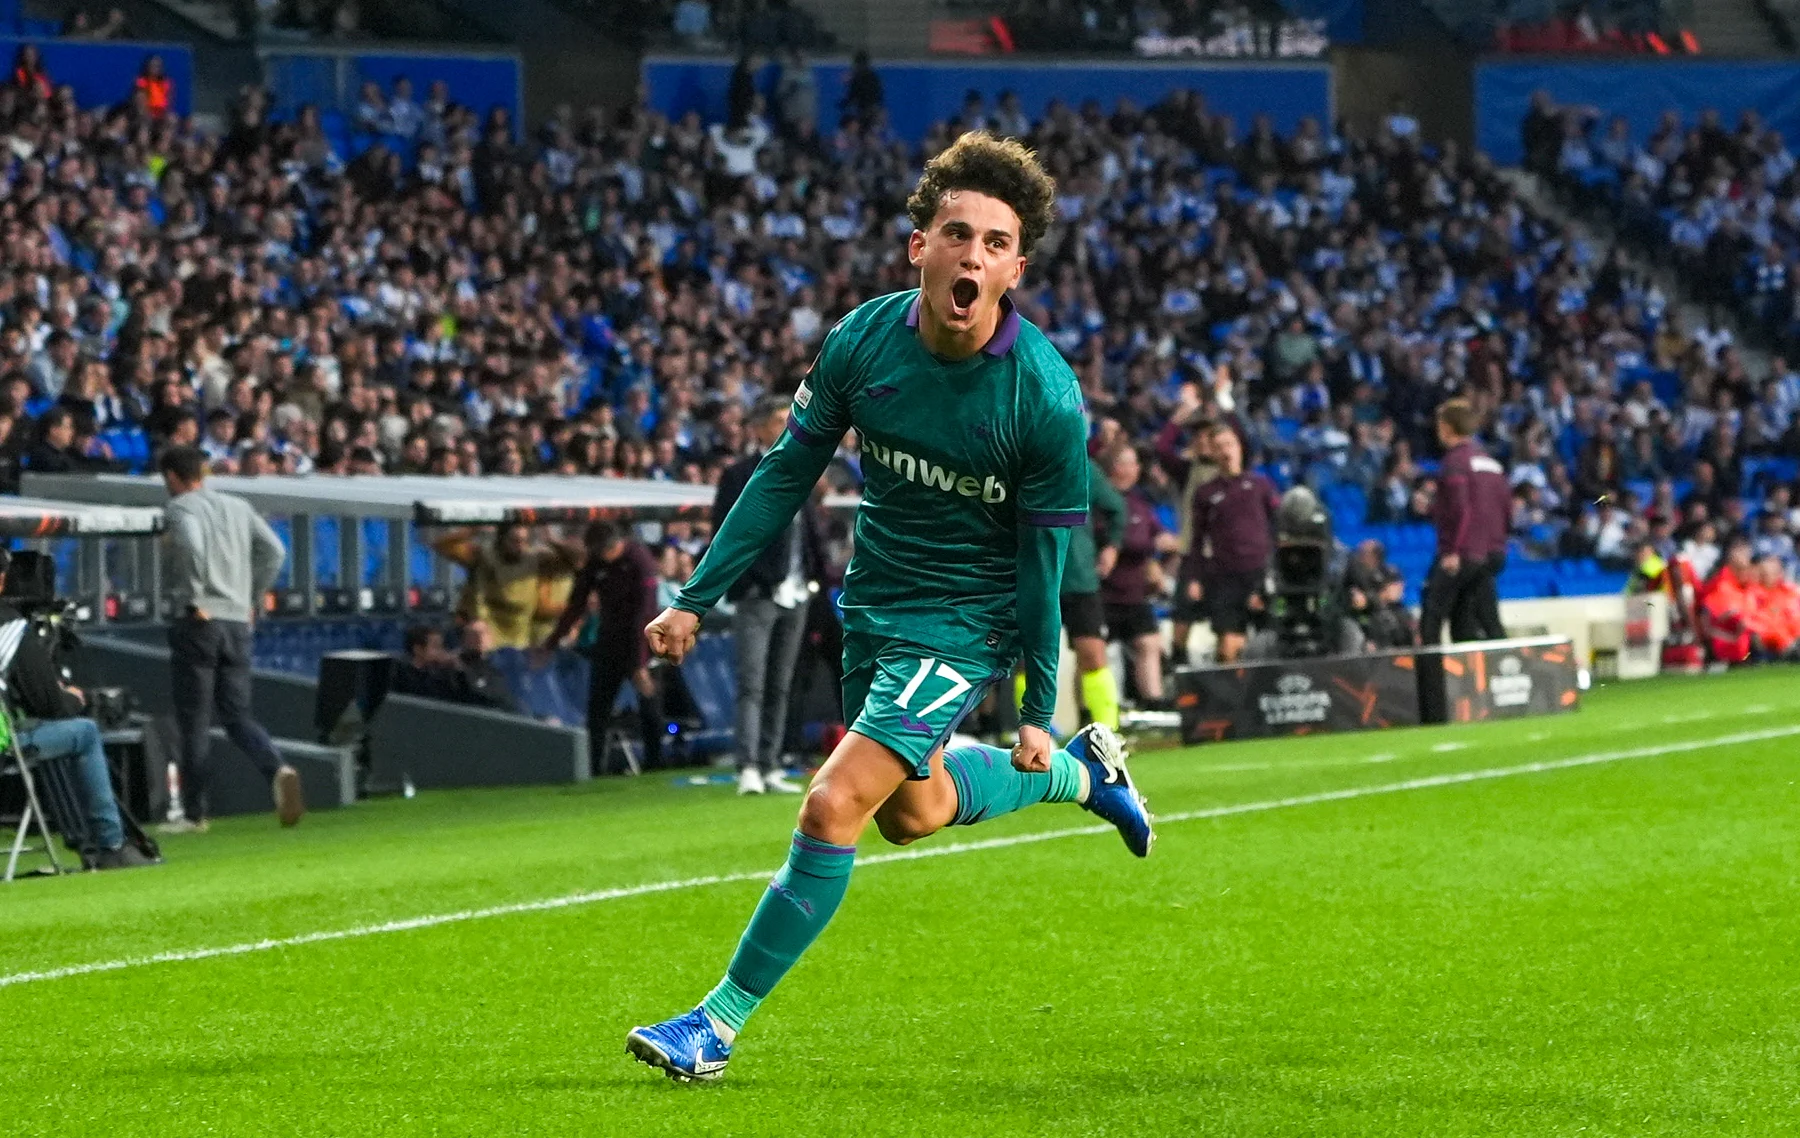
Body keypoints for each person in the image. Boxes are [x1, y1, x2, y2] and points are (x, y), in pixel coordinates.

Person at [627, 132, 1153, 1083]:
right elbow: (785, 474)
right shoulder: (862, 341)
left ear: (1015, 270)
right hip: (876, 603)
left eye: (996, 244)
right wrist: (694, 597)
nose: (974, 256)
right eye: (958, 234)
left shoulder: (1044, 398)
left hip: (968, 620)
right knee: (914, 813)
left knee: (833, 805)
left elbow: (1045, 567)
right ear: (922, 247)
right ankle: (1082, 779)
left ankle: (715, 1023)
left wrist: (1037, 707)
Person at [157, 445, 302, 832]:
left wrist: (194, 595)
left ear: (172, 476)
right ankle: (277, 768)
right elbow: (274, 551)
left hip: (200, 621)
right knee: (237, 715)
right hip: (238, 621)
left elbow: (189, 543)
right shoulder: (239, 506)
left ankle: (194, 815)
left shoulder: (181, 508)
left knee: (195, 720)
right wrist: (252, 596)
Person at [0, 551, 153, 869]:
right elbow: (50, 705)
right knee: (83, 732)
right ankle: (110, 845)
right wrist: (74, 697)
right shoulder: (10, 626)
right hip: (4, 744)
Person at [716, 396, 822, 795]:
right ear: (758, 428)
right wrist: (750, 581)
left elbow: (807, 532)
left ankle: (770, 762)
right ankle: (747, 766)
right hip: (759, 594)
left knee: (781, 684)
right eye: (779, 420)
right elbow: (727, 533)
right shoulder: (739, 474)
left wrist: (815, 577)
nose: (787, 424)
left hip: (796, 593)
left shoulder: (804, 465)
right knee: (752, 682)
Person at [537, 521, 664, 774]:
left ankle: (655, 765)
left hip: (644, 640)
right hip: (609, 641)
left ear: (614, 546)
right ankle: (593, 768)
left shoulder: (639, 561)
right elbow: (577, 604)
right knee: (598, 709)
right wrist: (551, 643)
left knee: (649, 704)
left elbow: (645, 613)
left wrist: (639, 663)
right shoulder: (596, 564)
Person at [1182, 423, 1278, 664]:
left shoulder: (1260, 486)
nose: (1226, 451)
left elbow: (1279, 525)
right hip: (1225, 578)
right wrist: (1195, 577)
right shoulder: (1206, 493)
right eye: (1219, 447)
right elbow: (1197, 540)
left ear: (1239, 447)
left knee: (1271, 641)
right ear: (1212, 453)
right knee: (1229, 647)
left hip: (1260, 573)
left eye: (1230, 444)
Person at [1423, 398, 1510, 644]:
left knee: (1433, 611)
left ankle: (1429, 678)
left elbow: (1461, 509)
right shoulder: (1492, 464)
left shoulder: (1454, 463)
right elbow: (1506, 510)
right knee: (1477, 617)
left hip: (1464, 553)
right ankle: (1506, 673)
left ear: (1448, 427)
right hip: (1493, 552)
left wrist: (1452, 550)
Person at [1100, 444, 1178, 706]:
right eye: (1131, 463)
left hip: (1135, 592)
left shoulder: (1138, 502)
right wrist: (1149, 549)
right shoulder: (1101, 501)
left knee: (1149, 643)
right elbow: (1122, 541)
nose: (1137, 469)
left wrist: (1170, 545)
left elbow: (1158, 534)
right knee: (1095, 655)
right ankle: (1094, 709)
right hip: (1105, 592)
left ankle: (1153, 701)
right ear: (1117, 468)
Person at [1057, 451, 1126, 729]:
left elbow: (1116, 508)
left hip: (1078, 576)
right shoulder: (1015, 460)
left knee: (1093, 654)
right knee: (1027, 660)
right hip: (1030, 576)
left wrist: (1112, 547)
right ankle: (1033, 733)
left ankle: (1108, 731)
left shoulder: (1080, 465)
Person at [432, 525, 580, 651]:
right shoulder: (483, 556)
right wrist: (474, 530)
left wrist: (551, 540)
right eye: (515, 541)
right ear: (502, 539)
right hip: (486, 644)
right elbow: (442, 545)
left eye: (523, 541)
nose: (519, 546)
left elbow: (577, 560)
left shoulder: (535, 560)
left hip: (519, 645)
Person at [392, 622, 517, 712]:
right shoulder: (399, 673)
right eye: (436, 647)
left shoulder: (448, 674)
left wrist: (458, 670)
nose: (442, 652)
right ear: (418, 650)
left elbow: (475, 696)